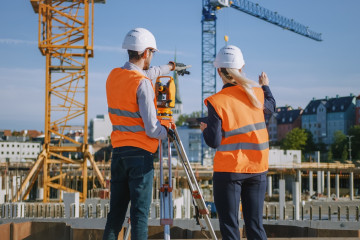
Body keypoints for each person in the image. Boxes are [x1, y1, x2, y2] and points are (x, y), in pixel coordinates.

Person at [103, 27, 183, 240]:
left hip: (118, 153)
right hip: (140, 155)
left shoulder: (114, 76)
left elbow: (144, 73)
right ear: (146, 52)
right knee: (139, 215)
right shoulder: (143, 84)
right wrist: (166, 129)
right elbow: (152, 129)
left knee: (115, 216)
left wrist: (170, 67)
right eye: (152, 53)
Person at [200, 45, 276, 240]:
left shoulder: (217, 101)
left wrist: (205, 130)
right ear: (241, 68)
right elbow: (271, 107)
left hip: (229, 171)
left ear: (219, 71)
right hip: (257, 168)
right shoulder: (257, 94)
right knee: (255, 226)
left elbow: (214, 141)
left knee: (230, 227)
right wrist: (265, 86)